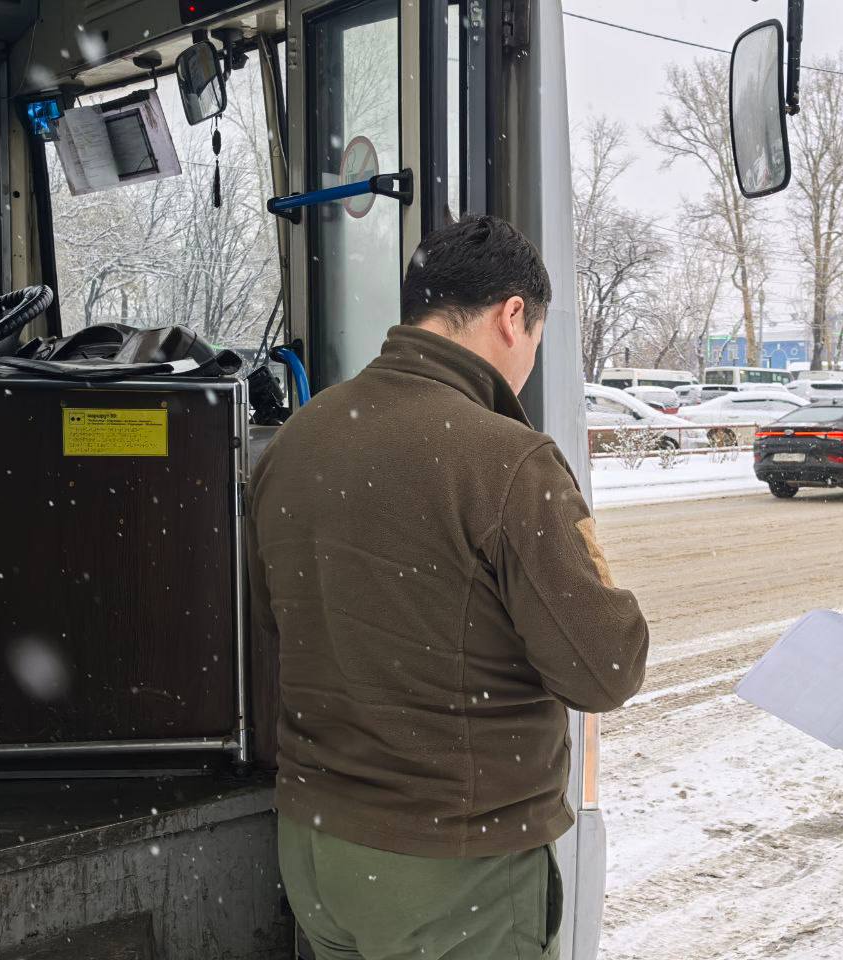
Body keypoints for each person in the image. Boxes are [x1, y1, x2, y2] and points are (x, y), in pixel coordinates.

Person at [246, 215, 649, 959]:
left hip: (318, 850)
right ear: (513, 316)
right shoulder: (505, 459)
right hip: (454, 868)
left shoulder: (298, 439)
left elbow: (271, 633)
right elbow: (604, 669)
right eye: (535, 338)